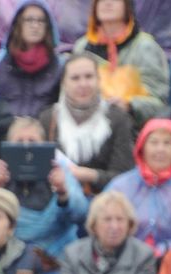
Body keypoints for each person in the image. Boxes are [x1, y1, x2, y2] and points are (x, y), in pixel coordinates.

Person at [36, 53, 133, 194]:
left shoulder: (118, 119)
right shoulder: (47, 118)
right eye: (75, 78)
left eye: (89, 77)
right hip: (60, 202)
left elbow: (123, 177)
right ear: (64, 83)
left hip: (105, 202)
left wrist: (88, 175)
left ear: (99, 79)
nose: (83, 84)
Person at [107, 116, 171, 255]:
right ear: (142, 148)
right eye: (154, 142)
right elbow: (104, 225)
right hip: (125, 259)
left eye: (167, 143)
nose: (160, 149)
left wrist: (163, 251)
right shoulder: (119, 186)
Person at [73, 0, 169, 123]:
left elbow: (159, 104)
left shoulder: (145, 47)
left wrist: (130, 105)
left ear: (128, 6)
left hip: (133, 130)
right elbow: (67, 95)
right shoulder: (81, 47)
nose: (107, 3)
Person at [0, 4, 63, 119]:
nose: (35, 26)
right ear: (18, 23)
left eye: (41, 21)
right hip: (6, 130)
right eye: (29, 20)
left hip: (44, 131)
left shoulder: (58, 65)